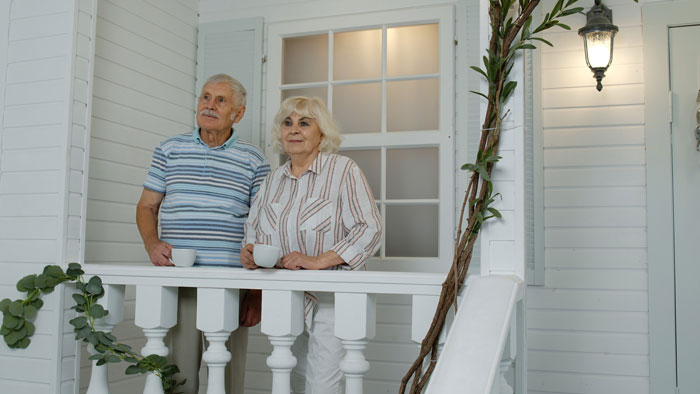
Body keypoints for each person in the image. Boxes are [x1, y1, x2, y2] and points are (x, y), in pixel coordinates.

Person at [136, 74, 270, 394]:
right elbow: (146, 207)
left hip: (233, 283)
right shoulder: (169, 149)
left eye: (221, 100)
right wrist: (152, 244)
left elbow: (265, 226)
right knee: (179, 376)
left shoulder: (254, 159)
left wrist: (256, 291)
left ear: (238, 113)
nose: (209, 105)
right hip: (181, 279)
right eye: (205, 97)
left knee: (227, 379)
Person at [241, 96, 381, 393]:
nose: (294, 130)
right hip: (288, 296)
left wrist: (318, 260)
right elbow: (254, 229)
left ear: (322, 133)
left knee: (322, 385)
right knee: (293, 379)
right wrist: (251, 252)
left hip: (333, 296)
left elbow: (369, 229)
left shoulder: (343, 170)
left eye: (304, 123)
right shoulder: (272, 180)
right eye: (287, 123)